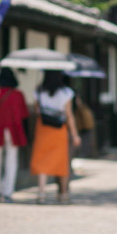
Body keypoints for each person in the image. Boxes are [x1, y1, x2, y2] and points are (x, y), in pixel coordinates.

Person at [30, 70, 81, 204]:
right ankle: (63, 194)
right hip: (59, 130)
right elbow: (69, 115)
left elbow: (37, 111)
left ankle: (41, 193)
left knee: (42, 161)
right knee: (61, 161)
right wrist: (75, 134)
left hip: (43, 129)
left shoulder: (39, 91)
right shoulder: (66, 93)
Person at [0, 68, 29, 203]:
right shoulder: (18, 94)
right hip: (14, 130)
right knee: (11, 161)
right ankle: (7, 192)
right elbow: (24, 114)